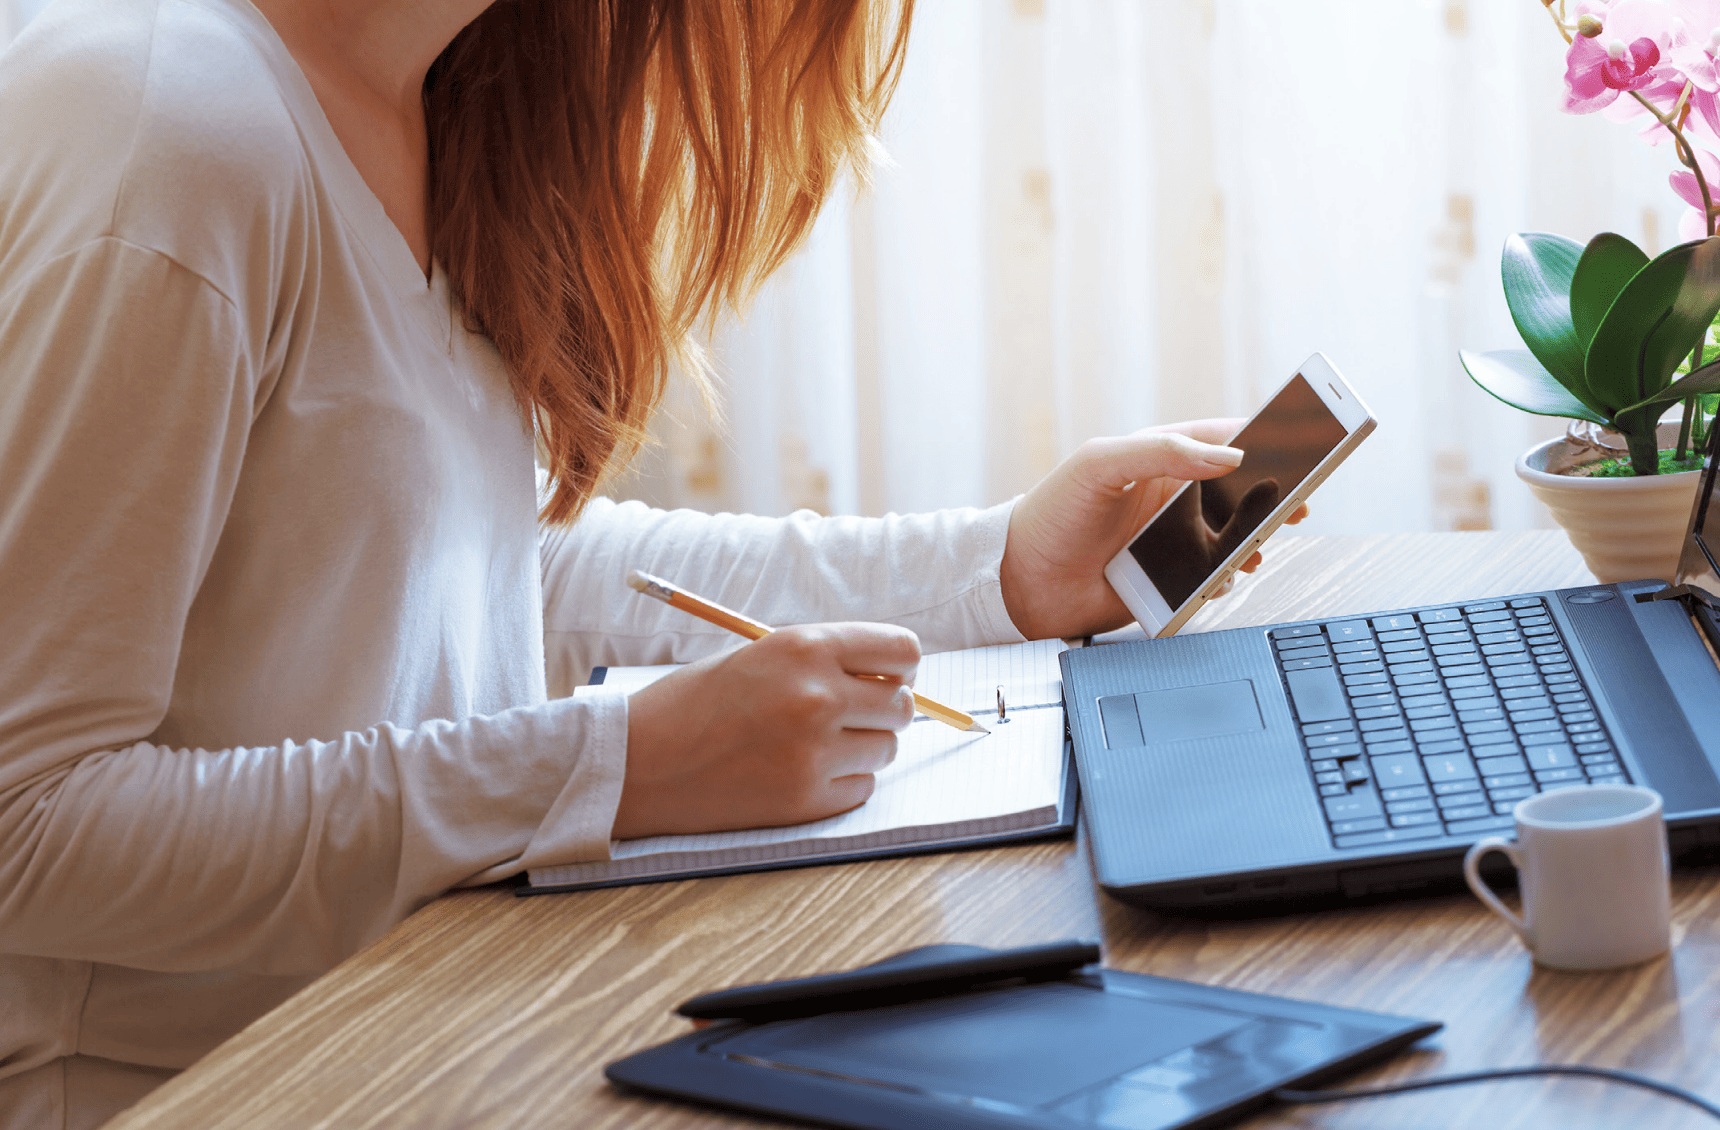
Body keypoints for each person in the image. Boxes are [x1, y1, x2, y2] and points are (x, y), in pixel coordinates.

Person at [0, 1, 1291, 1126]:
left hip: (437, 1016)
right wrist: (613, 767)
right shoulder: (159, 126)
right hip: (213, 1086)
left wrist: (996, 572)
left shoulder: (427, 91)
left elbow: (486, 561)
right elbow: (28, 829)